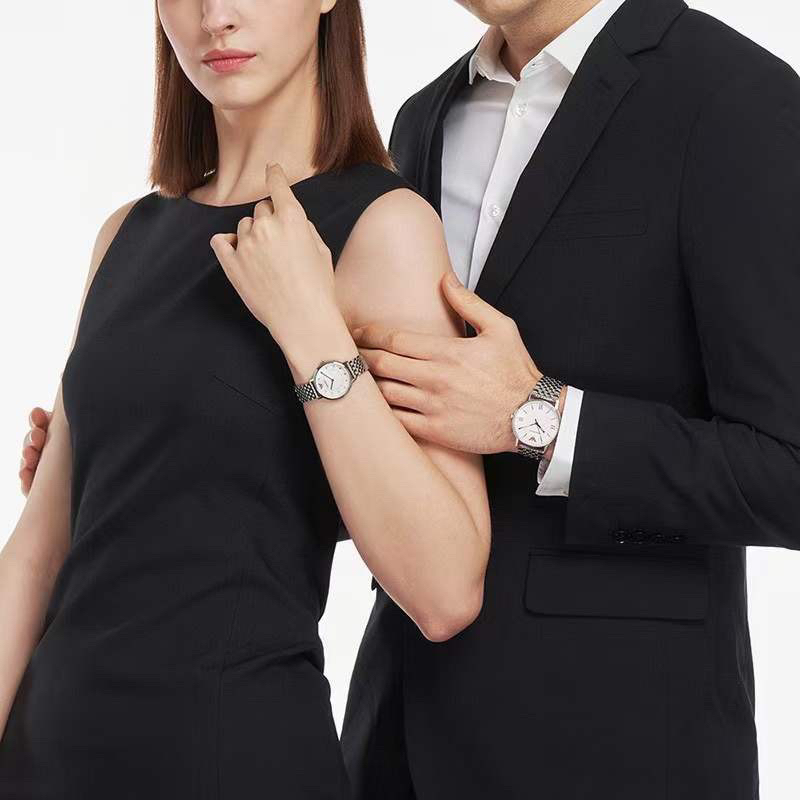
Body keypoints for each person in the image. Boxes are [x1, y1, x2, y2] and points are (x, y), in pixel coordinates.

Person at [1, 1, 491, 797]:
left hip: (233, 758)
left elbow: (445, 590)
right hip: (45, 758)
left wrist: (309, 327)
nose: (215, 16)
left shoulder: (385, 228)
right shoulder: (125, 235)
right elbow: (36, 552)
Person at [335, 0, 800, 798]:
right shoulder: (422, 119)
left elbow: (789, 470)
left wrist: (540, 419)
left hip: (618, 746)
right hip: (397, 735)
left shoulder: (735, 98)